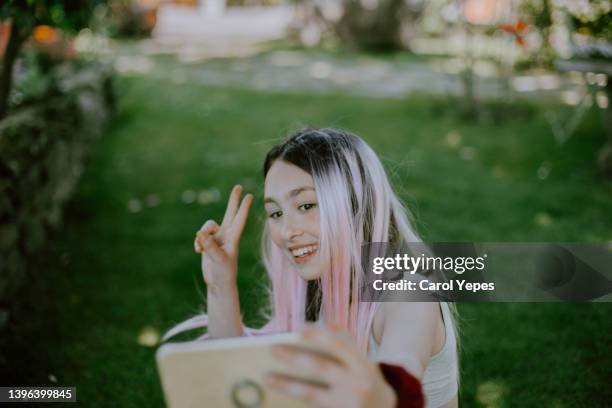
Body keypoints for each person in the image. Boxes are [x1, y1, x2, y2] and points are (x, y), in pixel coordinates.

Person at [164, 128, 459, 407]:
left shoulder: (408, 293)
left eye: (305, 206)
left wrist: (381, 396)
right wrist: (220, 284)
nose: (286, 230)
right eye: (276, 213)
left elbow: (400, 374)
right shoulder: (317, 285)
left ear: (355, 202)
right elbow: (239, 374)